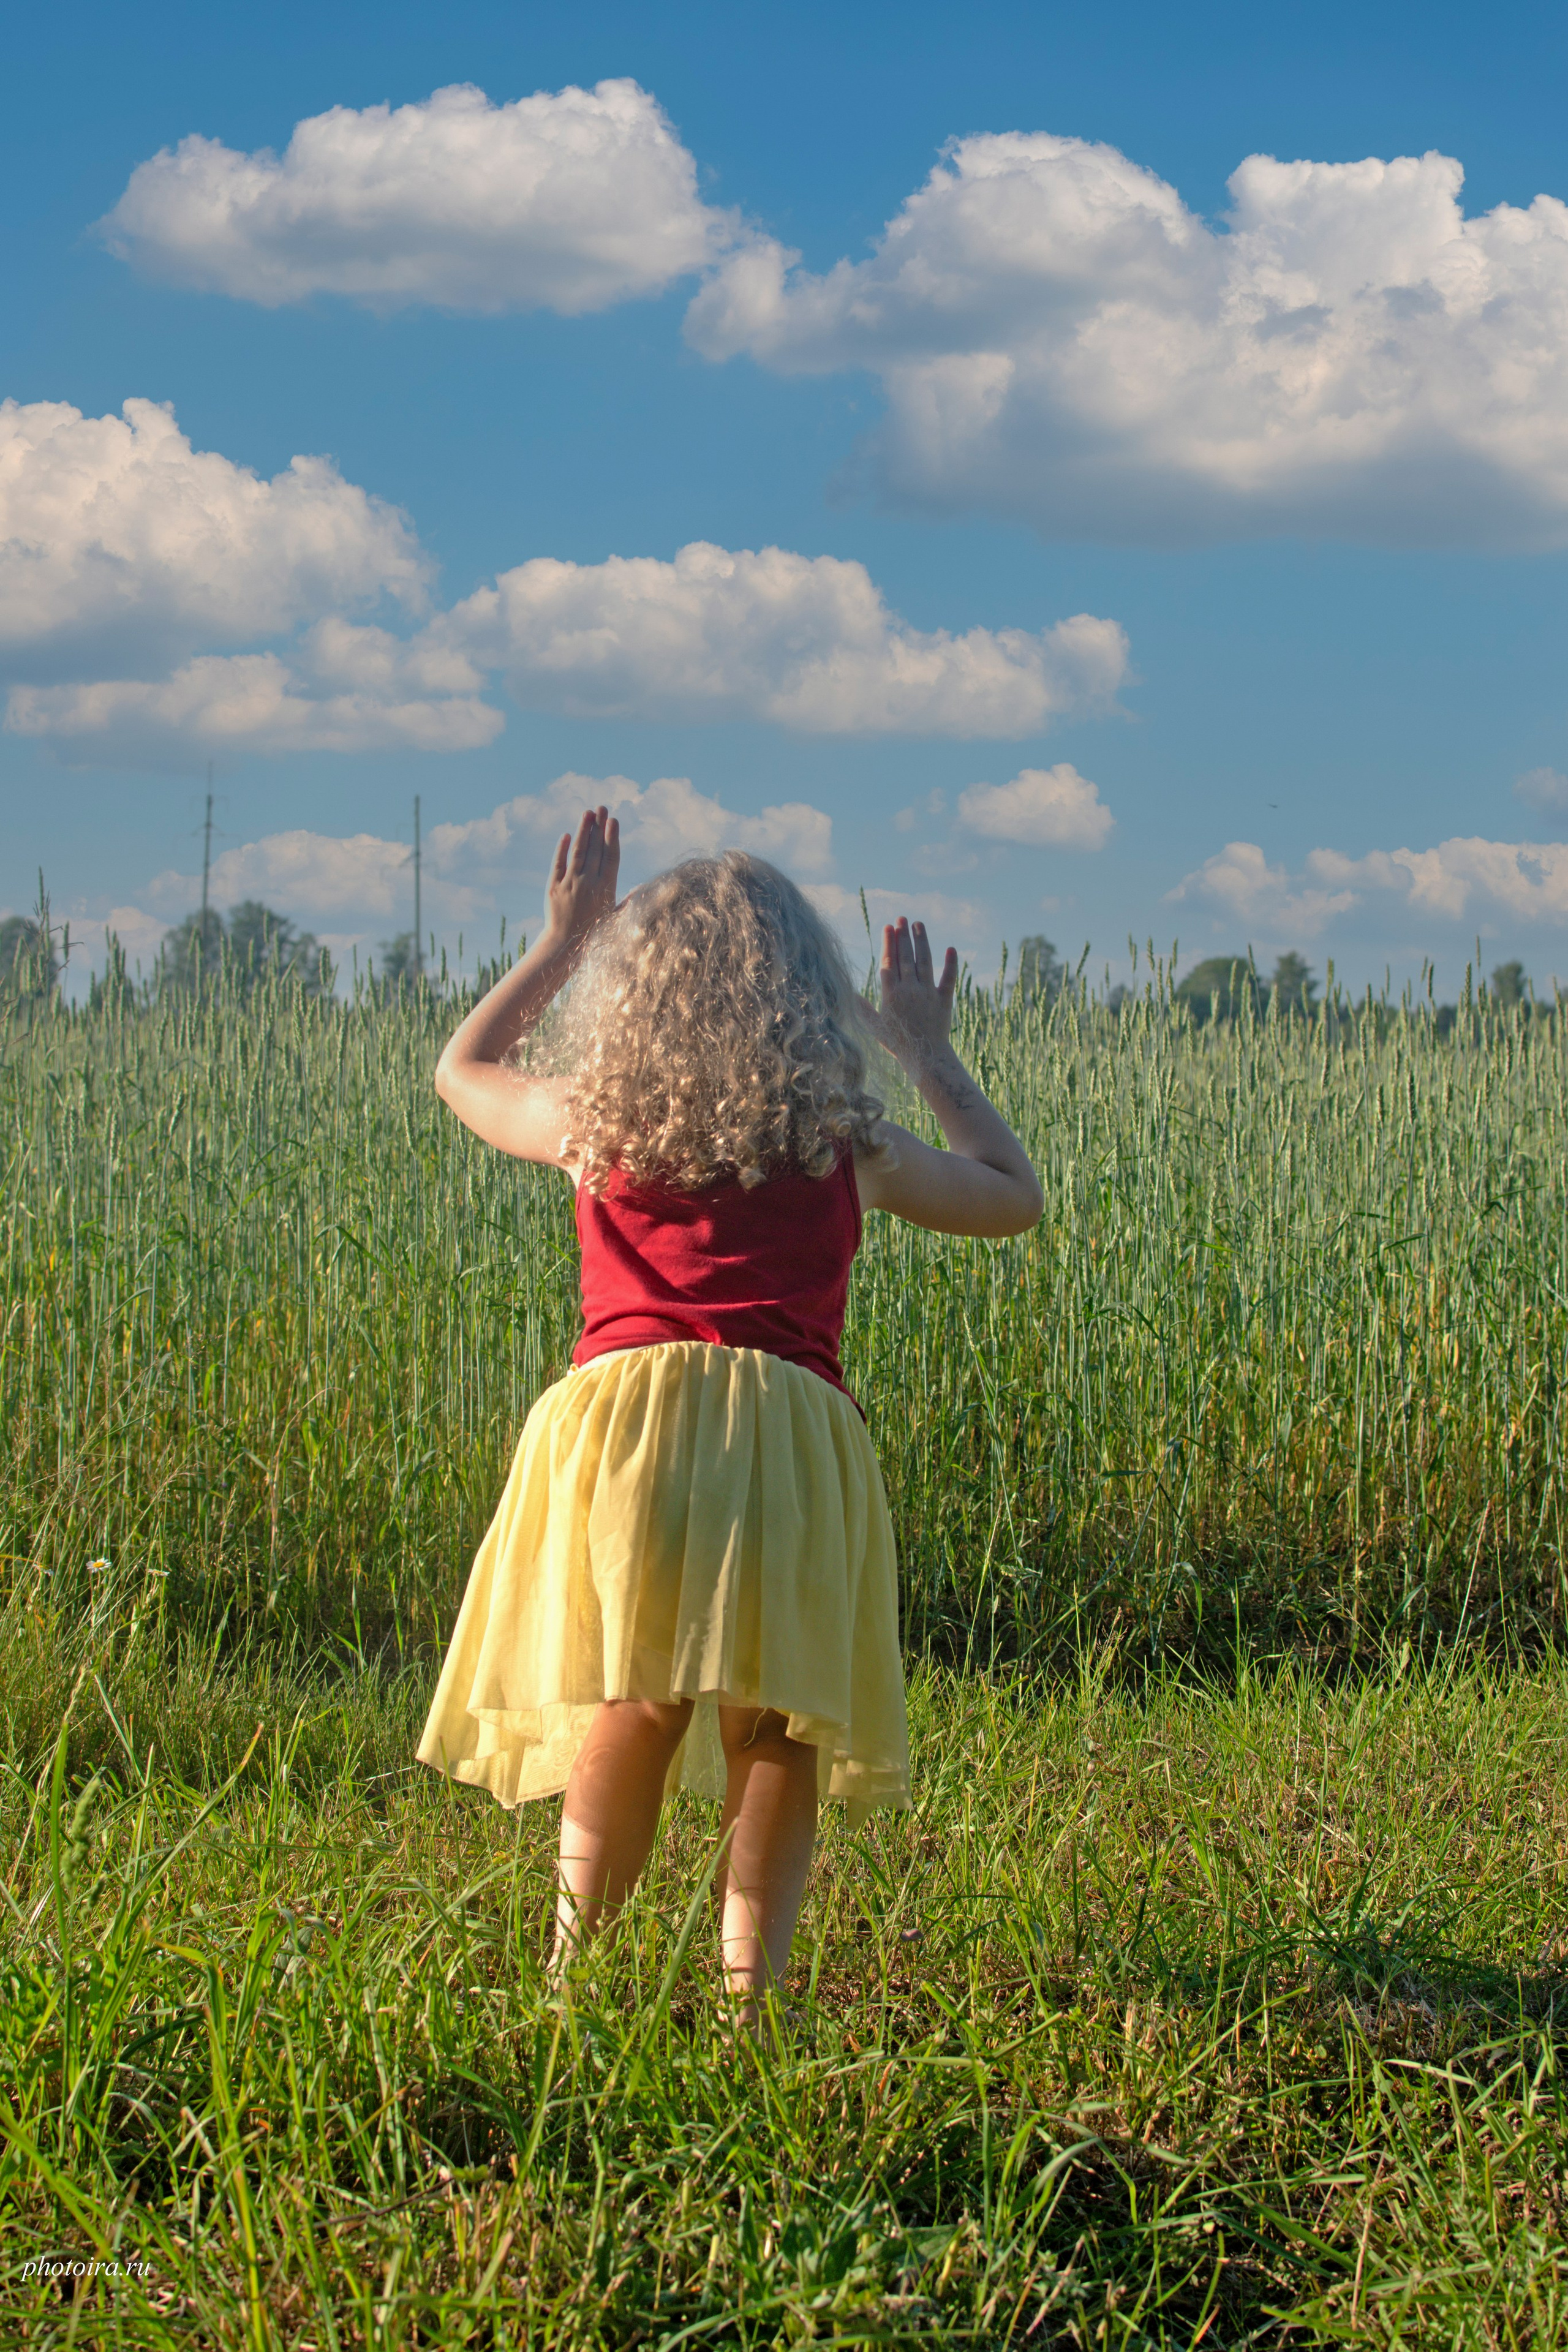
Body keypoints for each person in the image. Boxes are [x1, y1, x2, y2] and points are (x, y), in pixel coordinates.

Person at [417, 807, 1044, 2035]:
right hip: (785, 1435)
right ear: (807, 995)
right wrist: (924, 1050)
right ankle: (750, 2005)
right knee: (778, 1722)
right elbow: (1011, 1201)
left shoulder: (598, 1124)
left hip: (623, 1430)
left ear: (629, 988)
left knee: (631, 1699)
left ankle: (572, 1979)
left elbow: (460, 1073)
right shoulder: (842, 1138)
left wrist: (558, 943)